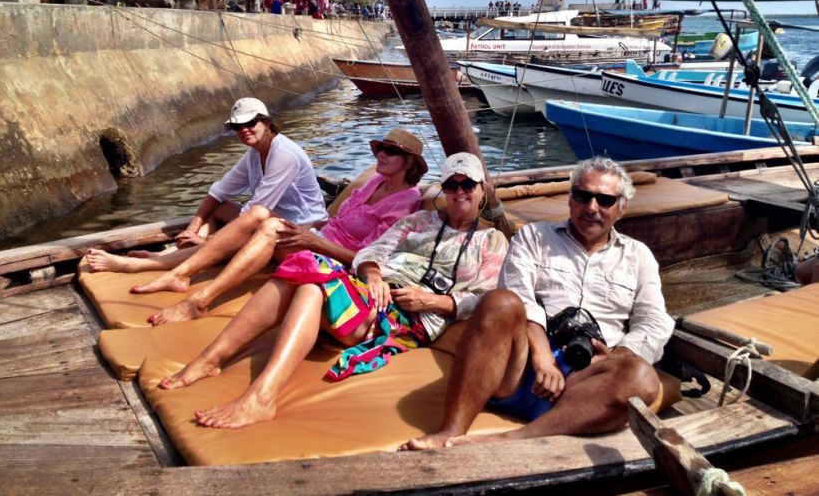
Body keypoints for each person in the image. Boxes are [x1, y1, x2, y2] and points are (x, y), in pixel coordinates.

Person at [158, 152, 509, 429]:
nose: (459, 192)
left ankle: (262, 396)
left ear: (482, 190)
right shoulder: (418, 221)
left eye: (468, 185)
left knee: (312, 280)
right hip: (374, 292)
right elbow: (373, 253)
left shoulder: (490, 240)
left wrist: (433, 301)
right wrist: (372, 273)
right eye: (452, 185)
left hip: (410, 317)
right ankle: (210, 360)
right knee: (305, 273)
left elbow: (484, 297)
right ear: (444, 190)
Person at [402, 156, 675, 450]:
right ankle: (449, 432)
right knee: (501, 301)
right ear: (570, 200)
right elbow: (518, 294)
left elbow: (654, 320)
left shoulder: (638, 256)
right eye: (583, 196)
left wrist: (617, 355)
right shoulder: (535, 236)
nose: (592, 207)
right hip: (520, 367)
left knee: (643, 377)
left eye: (605, 200)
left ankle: (510, 439)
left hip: (585, 380)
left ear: (621, 208)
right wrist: (543, 358)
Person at [144, 128, 427, 325]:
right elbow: (338, 220)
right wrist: (314, 228)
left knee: (265, 226)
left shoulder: (405, 203)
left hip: (336, 264)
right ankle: (173, 268)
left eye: (390, 151)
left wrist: (313, 241)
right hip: (317, 238)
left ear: (409, 163)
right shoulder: (376, 181)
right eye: (381, 149)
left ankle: (199, 298)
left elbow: (368, 260)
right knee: (259, 218)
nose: (380, 154)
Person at [86, 98, 326, 281]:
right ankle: (180, 248)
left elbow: (256, 211)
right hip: (274, 219)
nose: (244, 130)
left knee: (248, 221)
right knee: (221, 208)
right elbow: (219, 191)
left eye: (250, 123)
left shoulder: (283, 154)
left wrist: (207, 239)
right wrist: (192, 229)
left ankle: (150, 263)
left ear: (266, 122)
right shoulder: (254, 154)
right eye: (238, 126)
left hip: (302, 227)